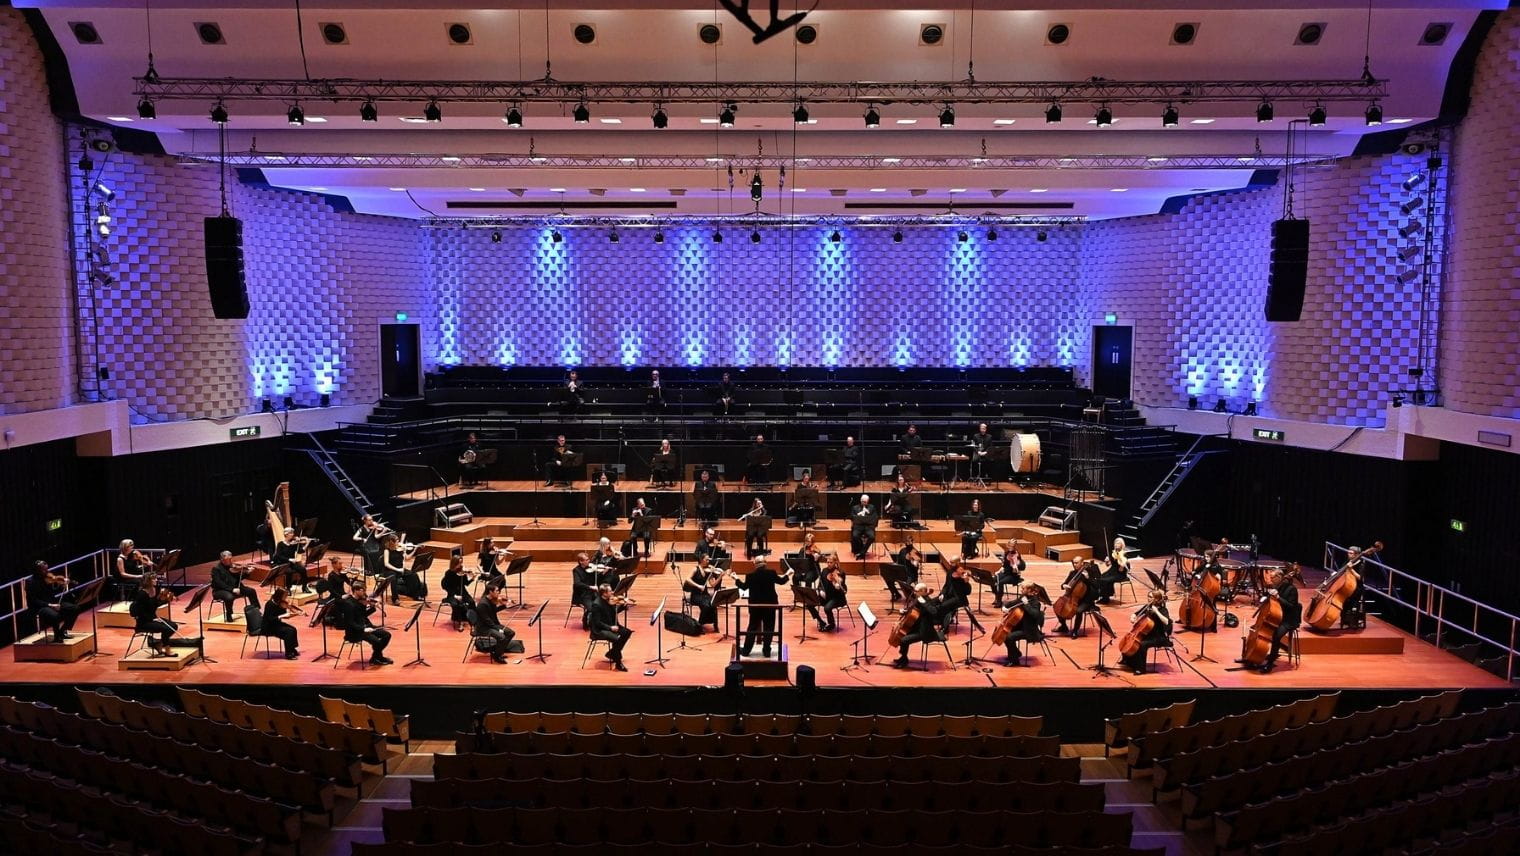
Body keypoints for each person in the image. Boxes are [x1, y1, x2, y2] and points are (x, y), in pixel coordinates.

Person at [734, 560, 791, 659]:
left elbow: (743, 587)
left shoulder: (750, 576)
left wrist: (735, 578)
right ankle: (766, 651)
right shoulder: (771, 573)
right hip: (770, 606)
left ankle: (746, 651)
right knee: (769, 628)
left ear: (755, 565)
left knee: (752, 628)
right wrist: (788, 574)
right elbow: (781, 582)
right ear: (765, 564)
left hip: (755, 607)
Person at [1255, 566, 1301, 673]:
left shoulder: (1292, 589)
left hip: (1289, 620)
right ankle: (1270, 654)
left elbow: (1291, 606)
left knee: (1276, 635)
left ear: (1279, 577)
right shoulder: (1277, 586)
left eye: (1272, 578)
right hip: (1278, 617)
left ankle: (1270, 664)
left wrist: (1278, 597)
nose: (1271, 580)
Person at [133, 574, 190, 657]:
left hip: (153, 618)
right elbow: (139, 612)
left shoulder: (154, 590)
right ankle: (167, 649)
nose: (156, 580)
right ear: (148, 581)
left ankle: (159, 643)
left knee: (173, 626)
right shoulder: (142, 594)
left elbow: (154, 605)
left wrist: (167, 599)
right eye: (153, 579)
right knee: (166, 628)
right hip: (144, 622)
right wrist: (152, 619)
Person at [339, 578, 392, 665]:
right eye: (363, 591)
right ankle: (377, 658)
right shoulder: (349, 604)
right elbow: (349, 623)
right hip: (355, 632)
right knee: (376, 641)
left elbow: (363, 615)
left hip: (365, 626)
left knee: (387, 635)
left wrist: (372, 606)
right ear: (355, 591)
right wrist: (363, 629)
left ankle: (376, 657)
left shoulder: (360, 601)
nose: (365, 593)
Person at [1119, 588, 1172, 675]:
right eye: (1148, 596)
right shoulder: (1147, 607)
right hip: (1147, 634)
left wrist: (1157, 612)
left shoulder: (1163, 610)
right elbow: (1136, 613)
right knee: (1128, 640)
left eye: (1151, 597)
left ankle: (1141, 669)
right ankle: (1128, 660)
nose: (1148, 598)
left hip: (1158, 637)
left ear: (1157, 599)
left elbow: (1166, 621)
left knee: (1142, 644)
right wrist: (1133, 617)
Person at [26, 561, 80, 643]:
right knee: (55, 616)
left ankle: (62, 631)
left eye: (47, 569)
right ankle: (57, 636)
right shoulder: (30, 582)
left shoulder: (48, 578)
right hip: (40, 606)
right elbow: (33, 600)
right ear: (37, 570)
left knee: (75, 608)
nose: (47, 572)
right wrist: (50, 605)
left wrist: (62, 584)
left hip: (53, 603)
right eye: (44, 570)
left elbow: (53, 591)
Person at [893, 583, 944, 668]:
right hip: (917, 627)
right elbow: (913, 610)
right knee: (902, 636)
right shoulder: (919, 599)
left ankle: (904, 660)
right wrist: (905, 611)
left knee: (904, 640)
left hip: (925, 631)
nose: (914, 593)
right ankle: (903, 657)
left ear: (923, 591)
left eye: (916, 591)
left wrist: (923, 602)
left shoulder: (926, 601)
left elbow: (933, 611)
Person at [1053, 557, 1101, 638]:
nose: (1074, 565)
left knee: (1078, 611)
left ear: (1082, 563)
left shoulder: (1090, 573)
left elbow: (1097, 586)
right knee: (1056, 606)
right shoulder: (1072, 573)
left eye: (1076, 563)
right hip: (1070, 598)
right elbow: (1064, 583)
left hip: (1086, 600)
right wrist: (1063, 585)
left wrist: (1088, 578)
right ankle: (1063, 626)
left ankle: (1075, 630)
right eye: (1074, 563)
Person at [589, 584, 633, 671]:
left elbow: (613, 612)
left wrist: (623, 607)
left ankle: (611, 653)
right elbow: (597, 623)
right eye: (610, 591)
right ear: (604, 593)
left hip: (611, 624)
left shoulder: (609, 600)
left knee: (627, 632)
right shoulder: (597, 604)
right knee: (617, 638)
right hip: (600, 630)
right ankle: (618, 663)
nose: (612, 592)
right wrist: (610, 628)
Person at [1000, 582, 1046, 666]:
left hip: (1030, 630)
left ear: (1029, 590)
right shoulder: (1023, 597)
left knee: (1009, 638)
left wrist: (1026, 604)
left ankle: (1014, 660)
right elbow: (1013, 602)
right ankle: (1015, 653)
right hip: (1021, 626)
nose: (1021, 590)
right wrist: (1005, 606)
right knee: (1005, 634)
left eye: (1023, 589)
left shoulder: (1035, 602)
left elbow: (1035, 614)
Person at [211, 551, 259, 622]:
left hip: (235, 588)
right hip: (220, 590)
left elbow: (238, 578)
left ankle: (256, 610)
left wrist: (247, 573)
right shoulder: (216, 569)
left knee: (251, 591)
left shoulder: (232, 567)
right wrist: (232, 589)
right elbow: (219, 583)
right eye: (228, 559)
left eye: (231, 559)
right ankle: (229, 614)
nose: (231, 561)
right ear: (222, 559)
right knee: (229, 597)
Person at [473, 587, 517, 663]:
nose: (498, 593)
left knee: (511, 633)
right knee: (502, 637)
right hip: (483, 628)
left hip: (492, 625)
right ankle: (497, 656)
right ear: (490, 592)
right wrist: (498, 629)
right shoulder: (482, 604)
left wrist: (504, 605)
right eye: (497, 591)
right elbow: (486, 620)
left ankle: (498, 652)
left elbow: (494, 611)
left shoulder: (490, 601)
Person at [685, 558, 729, 631]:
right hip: (696, 595)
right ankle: (700, 624)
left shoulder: (709, 572)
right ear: (701, 560)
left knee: (713, 604)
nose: (709, 561)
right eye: (707, 560)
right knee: (706, 606)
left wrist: (720, 576)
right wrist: (698, 586)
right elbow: (687, 579)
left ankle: (715, 625)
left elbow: (713, 584)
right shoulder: (695, 569)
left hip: (705, 594)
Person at [260, 587, 302, 660]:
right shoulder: (270, 604)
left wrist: (288, 607)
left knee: (293, 629)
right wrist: (281, 616)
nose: (286, 598)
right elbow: (270, 619)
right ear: (279, 596)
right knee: (288, 632)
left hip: (276, 624)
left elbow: (283, 613)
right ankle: (288, 654)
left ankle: (292, 648)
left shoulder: (279, 603)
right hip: (268, 627)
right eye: (285, 596)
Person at [441, 555, 476, 632]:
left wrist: (472, 578)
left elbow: (466, 583)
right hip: (452, 594)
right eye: (459, 563)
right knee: (456, 604)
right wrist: (454, 595)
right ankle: (460, 623)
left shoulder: (462, 571)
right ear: (454, 563)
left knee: (472, 602)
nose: (461, 565)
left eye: (461, 562)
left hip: (463, 592)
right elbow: (445, 586)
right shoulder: (449, 573)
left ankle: (473, 623)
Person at [1095, 536, 1132, 604]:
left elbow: (1121, 570)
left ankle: (1105, 598)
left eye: (1118, 543)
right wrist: (1107, 561)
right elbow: (1108, 565)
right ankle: (1105, 596)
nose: (1116, 545)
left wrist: (1122, 565)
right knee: (1101, 577)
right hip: (1112, 571)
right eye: (1115, 543)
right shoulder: (1113, 553)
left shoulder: (1124, 554)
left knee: (1106, 580)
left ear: (1122, 545)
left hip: (1120, 574)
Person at [819, 554, 849, 631]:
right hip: (826, 596)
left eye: (831, 562)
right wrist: (821, 591)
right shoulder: (824, 571)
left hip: (837, 598)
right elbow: (820, 584)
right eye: (827, 562)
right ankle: (821, 621)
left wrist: (838, 585)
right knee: (810, 603)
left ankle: (831, 624)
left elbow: (843, 588)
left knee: (827, 608)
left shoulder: (840, 573)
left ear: (835, 562)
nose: (829, 564)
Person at [1340, 545, 1367, 630]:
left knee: (1353, 600)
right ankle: (1345, 619)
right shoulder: (1347, 561)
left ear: (1356, 555)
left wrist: (1351, 569)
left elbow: (1360, 578)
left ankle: (1353, 620)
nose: (1349, 554)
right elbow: (1341, 571)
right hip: (1347, 587)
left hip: (1357, 588)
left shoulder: (1361, 564)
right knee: (1344, 600)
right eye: (1348, 552)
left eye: (1351, 553)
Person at [993, 542, 1027, 608]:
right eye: (1009, 546)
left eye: (1011, 546)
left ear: (1014, 547)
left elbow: (1022, 567)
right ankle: (996, 597)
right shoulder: (1007, 553)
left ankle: (999, 601)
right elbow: (1005, 565)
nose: (1010, 548)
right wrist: (998, 571)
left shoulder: (1017, 555)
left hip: (1013, 576)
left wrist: (1016, 567)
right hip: (1006, 572)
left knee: (1000, 582)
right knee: (994, 579)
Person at [889, 536, 922, 602]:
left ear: (912, 542)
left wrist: (911, 561)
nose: (908, 543)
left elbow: (916, 567)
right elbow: (898, 562)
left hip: (910, 574)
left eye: (909, 541)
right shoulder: (902, 551)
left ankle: (911, 597)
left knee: (906, 585)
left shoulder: (914, 552)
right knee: (889, 580)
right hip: (901, 572)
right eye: (906, 541)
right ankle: (897, 594)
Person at [570, 552, 598, 628]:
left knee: (601, 605)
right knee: (591, 608)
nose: (589, 561)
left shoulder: (591, 569)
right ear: (581, 561)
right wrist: (590, 587)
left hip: (593, 593)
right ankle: (585, 619)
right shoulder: (576, 570)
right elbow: (577, 583)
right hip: (582, 595)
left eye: (589, 559)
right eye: (586, 560)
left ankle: (597, 623)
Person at [849, 494, 878, 560]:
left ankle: (862, 552)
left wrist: (868, 514)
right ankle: (862, 548)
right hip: (858, 526)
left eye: (865, 502)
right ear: (860, 500)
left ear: (868, 501)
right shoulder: (855, 508)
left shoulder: (872, 507)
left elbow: (875, 517)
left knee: (872, 537)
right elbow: (851, 517)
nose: (863, 503)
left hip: (868, 527)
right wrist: (858, 515)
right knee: (855, 536)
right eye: (862, 501)